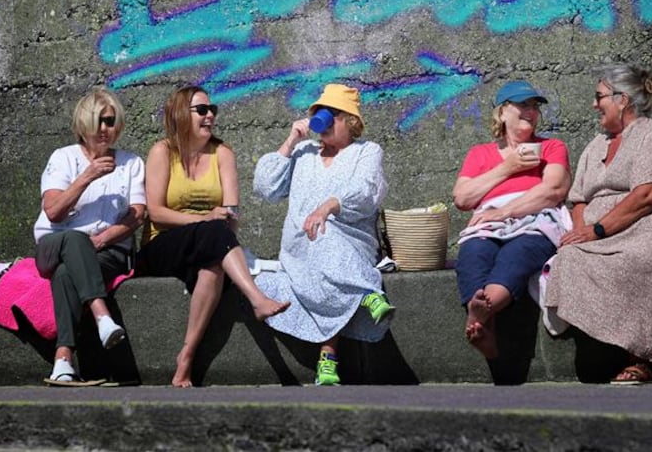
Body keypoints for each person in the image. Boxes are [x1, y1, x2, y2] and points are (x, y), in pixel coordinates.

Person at [544, 64, 652, 384]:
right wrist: (581, 232)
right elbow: (579, 200)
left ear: (622, 100)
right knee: (571, 256)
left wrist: (598, 229)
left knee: (639, 258)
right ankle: (613, 344)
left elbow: (650, 194)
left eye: (599, 97)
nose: (594, 104)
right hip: (606, 231)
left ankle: (644, 358)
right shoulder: (596, 145)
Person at [136, 85, 289, 387]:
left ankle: (186, 356)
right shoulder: (162, 151)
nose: (210, 116)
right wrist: (204, 219)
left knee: (214, 264)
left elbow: (231, 214)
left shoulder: (223, 153)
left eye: (213, 110)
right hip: (163, 244)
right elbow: (156, 212)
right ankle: (257, 299)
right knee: (214, 231)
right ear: (181, 114)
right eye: (202, 110)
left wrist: (217, 227)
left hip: (211, 242)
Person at [253, 83, 394, 387]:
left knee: (325, 238)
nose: (323, 119)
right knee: (279, 274)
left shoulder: (366, 151)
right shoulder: (303, 153)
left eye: (331, 114)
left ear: (350, 121)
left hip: (351, 241)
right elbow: (266, 188)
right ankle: (366, 291)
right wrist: (291, 139)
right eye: (319, 112)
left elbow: (367, 192)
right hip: (301, 248)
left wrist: (330, 205)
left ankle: (327, 359)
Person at [33, 87, 146, 386]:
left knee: (65, 273)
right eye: (99, 121)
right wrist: (87, 176)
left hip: (107, 250)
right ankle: (102, 316)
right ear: (84, 124)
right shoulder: (64, 158)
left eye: (111, 121)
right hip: (54, 244)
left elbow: (137, 214)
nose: (105, 128)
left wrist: (103, 239)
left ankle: (63, 360)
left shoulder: (131, 163)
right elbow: (53, 212)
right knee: (74, 240)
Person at [453, 80, 570, 361]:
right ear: (503, 112)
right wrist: (508, 167)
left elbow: (554, 190)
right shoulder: (480, 153)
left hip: (534, 216)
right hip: (489, 221)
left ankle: (482, 311)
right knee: (474, 251)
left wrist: (505, 212)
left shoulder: (551, 147)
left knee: (519, 251)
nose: (531, 111)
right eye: (523, 105)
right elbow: (462, 198)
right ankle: (486, 327)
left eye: (535, 106)